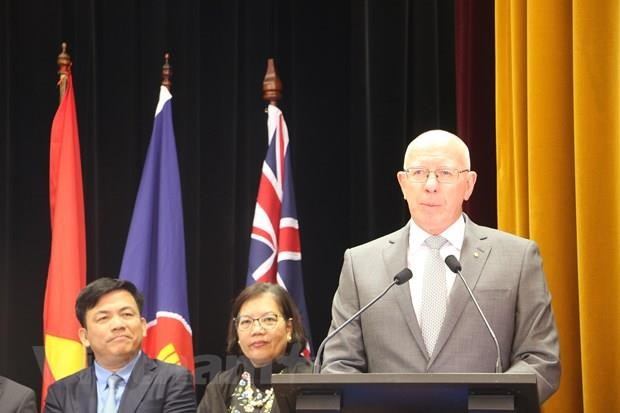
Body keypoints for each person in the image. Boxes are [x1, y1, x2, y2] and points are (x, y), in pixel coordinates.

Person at [321, 129, 560, 403]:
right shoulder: (360, 263)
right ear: (402, 183)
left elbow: (541, 359)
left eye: (446, 173)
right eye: (419, 172)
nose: (431, 185)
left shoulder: (517, 257)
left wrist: (488, 404)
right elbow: (339, 363)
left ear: (469, 184)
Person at [44, 277, 196, 412]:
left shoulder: (173, 380)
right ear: (85, 337)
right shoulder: (61, 393)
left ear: (143, 326)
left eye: (127, 314)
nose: (118, 324)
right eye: (103, 318)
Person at [197, 283, 310, 413]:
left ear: (288, 328)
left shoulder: (309, 381)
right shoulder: (221, 386)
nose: (256, 330)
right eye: (246, 322)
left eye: (268, 319)